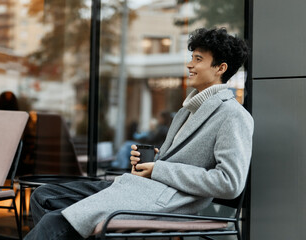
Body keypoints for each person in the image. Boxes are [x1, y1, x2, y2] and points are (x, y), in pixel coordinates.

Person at [24, 27, 253, 240]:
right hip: (141, 188)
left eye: (198, 59)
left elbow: (229, 183)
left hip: (166, 201)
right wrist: (151, 162)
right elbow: (172, 161)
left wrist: (159, 169)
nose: (189, 65)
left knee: (55, 223)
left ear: (220, 68)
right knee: (44, 195)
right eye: (192, 57)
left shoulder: (233, 115)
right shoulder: (188, 110)